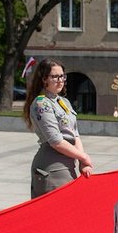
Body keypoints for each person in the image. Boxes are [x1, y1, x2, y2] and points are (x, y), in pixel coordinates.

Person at [22, 58, 93, 198]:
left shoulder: (63, 101)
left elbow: (75, 133)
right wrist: (83, 157)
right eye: (55, 76)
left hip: (68, 163)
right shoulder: (41, 103)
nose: (60, 80)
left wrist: (82, 161)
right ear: (43, 79)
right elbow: (56, 141)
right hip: (52, 167)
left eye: (62, 76)